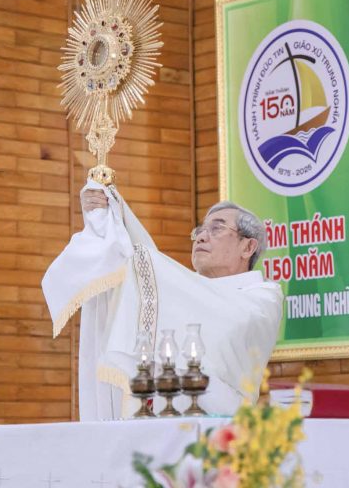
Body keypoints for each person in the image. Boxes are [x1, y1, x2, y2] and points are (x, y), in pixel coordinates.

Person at [42, 180, 283, 420]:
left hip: (223, 428)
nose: (201, 237)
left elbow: (225, 319)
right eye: (199, 231)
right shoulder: (183, 293)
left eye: (217, 229)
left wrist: (125, 234)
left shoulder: (263, 297)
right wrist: (108, 219)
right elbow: (140, 273)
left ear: (248, 247)